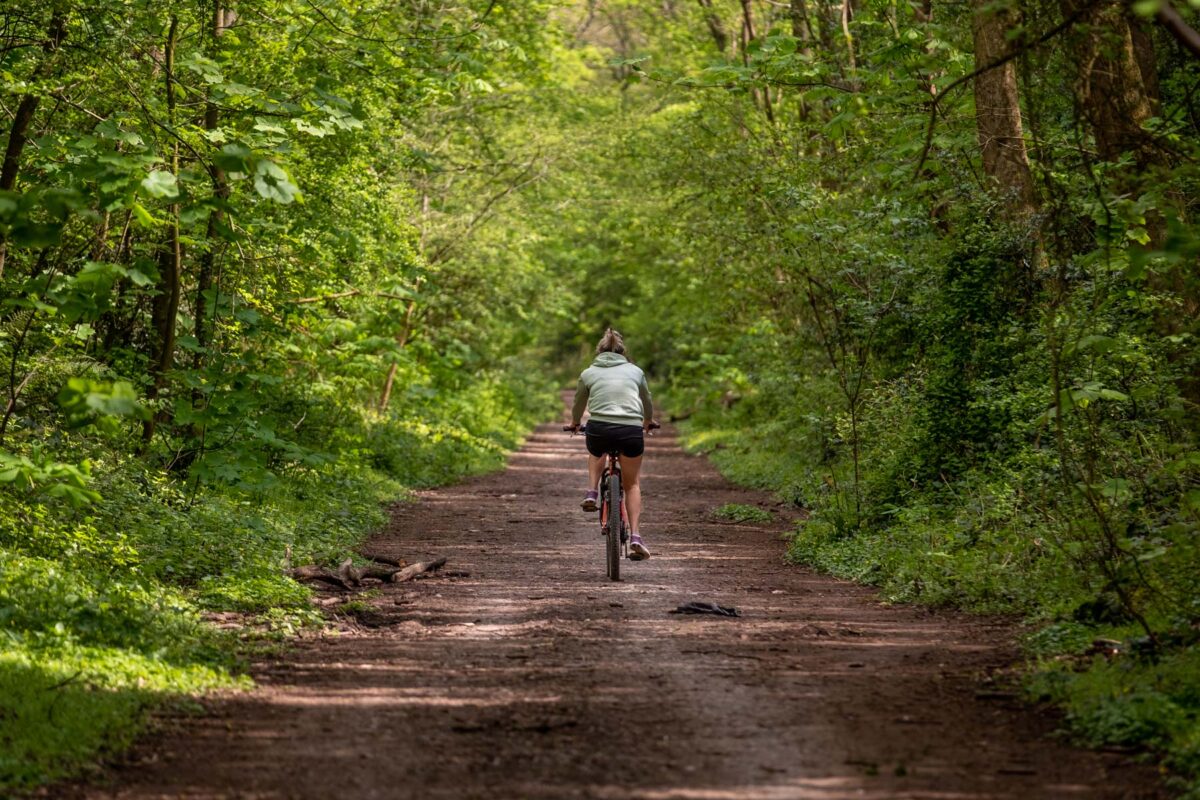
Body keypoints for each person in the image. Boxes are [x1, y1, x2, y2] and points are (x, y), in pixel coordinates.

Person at [568, 328, 655, 560]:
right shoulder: (635, 371)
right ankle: (636, 536)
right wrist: (647, 421)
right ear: (623, 353)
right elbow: (647, 399)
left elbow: (578, 402)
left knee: (597, 452)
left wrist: (576, 423)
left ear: (599, 352)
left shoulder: (589, 372)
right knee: (632, 484)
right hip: (630, 431)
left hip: (600, 430)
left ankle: (592, 491)